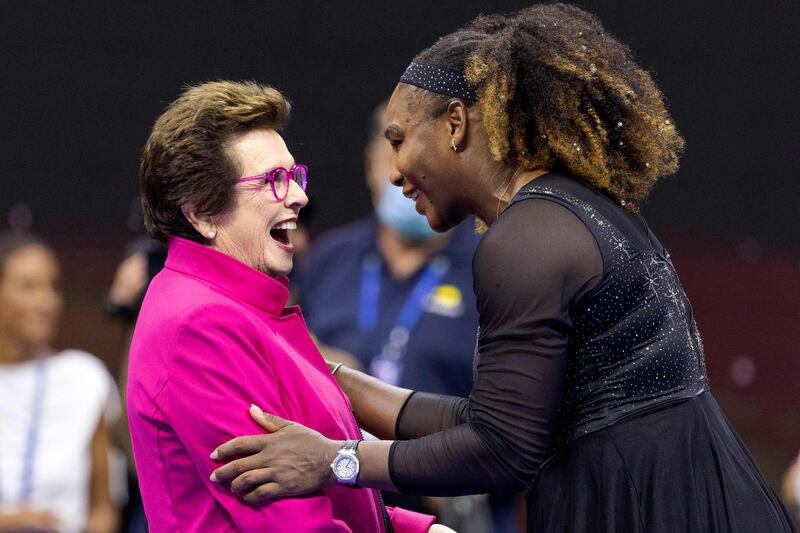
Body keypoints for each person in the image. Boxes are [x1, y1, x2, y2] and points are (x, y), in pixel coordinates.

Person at [209, 5, 795, 532]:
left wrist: (336, 461)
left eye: (400, 139)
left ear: (456, 125)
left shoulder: (525, 241)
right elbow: (492, 417)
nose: (393, 172)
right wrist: (328, 380)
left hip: (650, 509)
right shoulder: (566, 212)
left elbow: (502, 450)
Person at [127, 80, 446, 532]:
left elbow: (322, 491)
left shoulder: (240, 308)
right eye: (274, 180)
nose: (298, 195)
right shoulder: (199, 325)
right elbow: (291, 523)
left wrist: (417, 529)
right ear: (200, 211)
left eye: (295, 176)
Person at [296, 103, 497, 529]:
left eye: (424, 152)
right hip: (339, 509)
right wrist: (321, 363)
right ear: (373, 162)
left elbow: (521, 420)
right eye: (396, 147)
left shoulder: (493, 263)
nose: (406, 171)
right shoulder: (327, 258)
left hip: (454, 511)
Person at [0, 233, 121, 533]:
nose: (46, 302)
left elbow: (103, 507)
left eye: (53, 287)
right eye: (29, 287)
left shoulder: (84, 379)